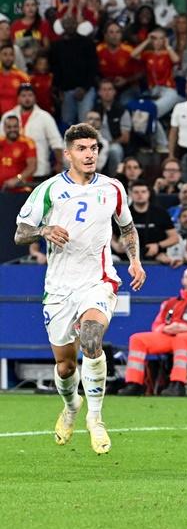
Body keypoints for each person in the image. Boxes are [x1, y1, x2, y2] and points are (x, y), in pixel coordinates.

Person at [13, 124, 146, 454]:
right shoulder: (50, 190)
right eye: (82, 149)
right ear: (68, 154)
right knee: (65, 366)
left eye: (94, 148)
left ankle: (96, 418)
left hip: (97, 280)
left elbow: (127, 228)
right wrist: (44, 229)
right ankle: (72, 407)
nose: (89, 154)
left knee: (91, 338)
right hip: (59, 288)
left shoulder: (113, 188)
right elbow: (20, 233)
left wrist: (135, 260)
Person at [118, 267, 187, 397]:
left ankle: (178, 384)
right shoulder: (170, 303)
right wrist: (165, 328)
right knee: (137, 339)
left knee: (182, 338)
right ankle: (134, 384)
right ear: (183, 280)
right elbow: (156, 325)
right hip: (169, 336)